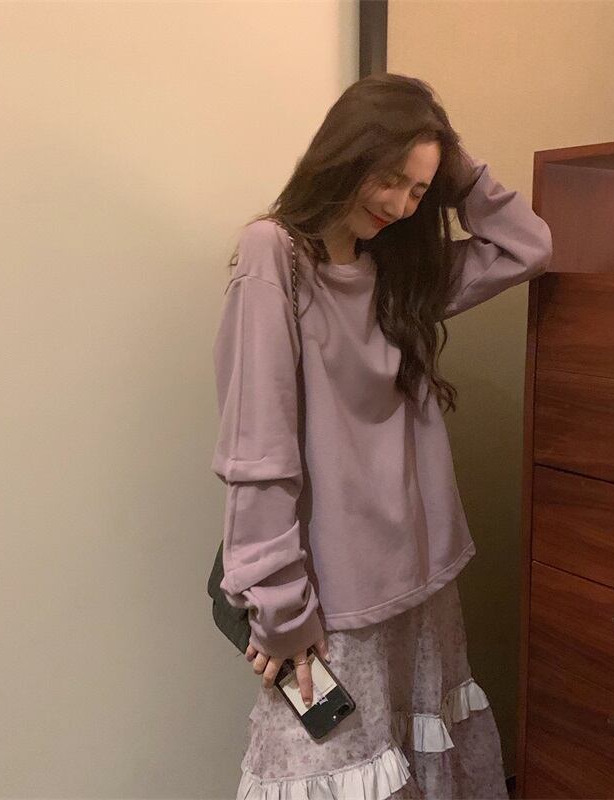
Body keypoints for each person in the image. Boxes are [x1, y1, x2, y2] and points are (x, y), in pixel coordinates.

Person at [210, 72, 553, 799]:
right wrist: (278, 605)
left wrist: (452, 164)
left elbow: (527, 246)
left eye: (420, 191)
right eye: (390, 177)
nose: (400, 206)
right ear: (347, 152)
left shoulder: (402, 271)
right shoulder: (275, 254)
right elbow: (257, 448)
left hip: (421, 580)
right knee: (340, 771)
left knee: (417, 767)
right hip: (332, 597)